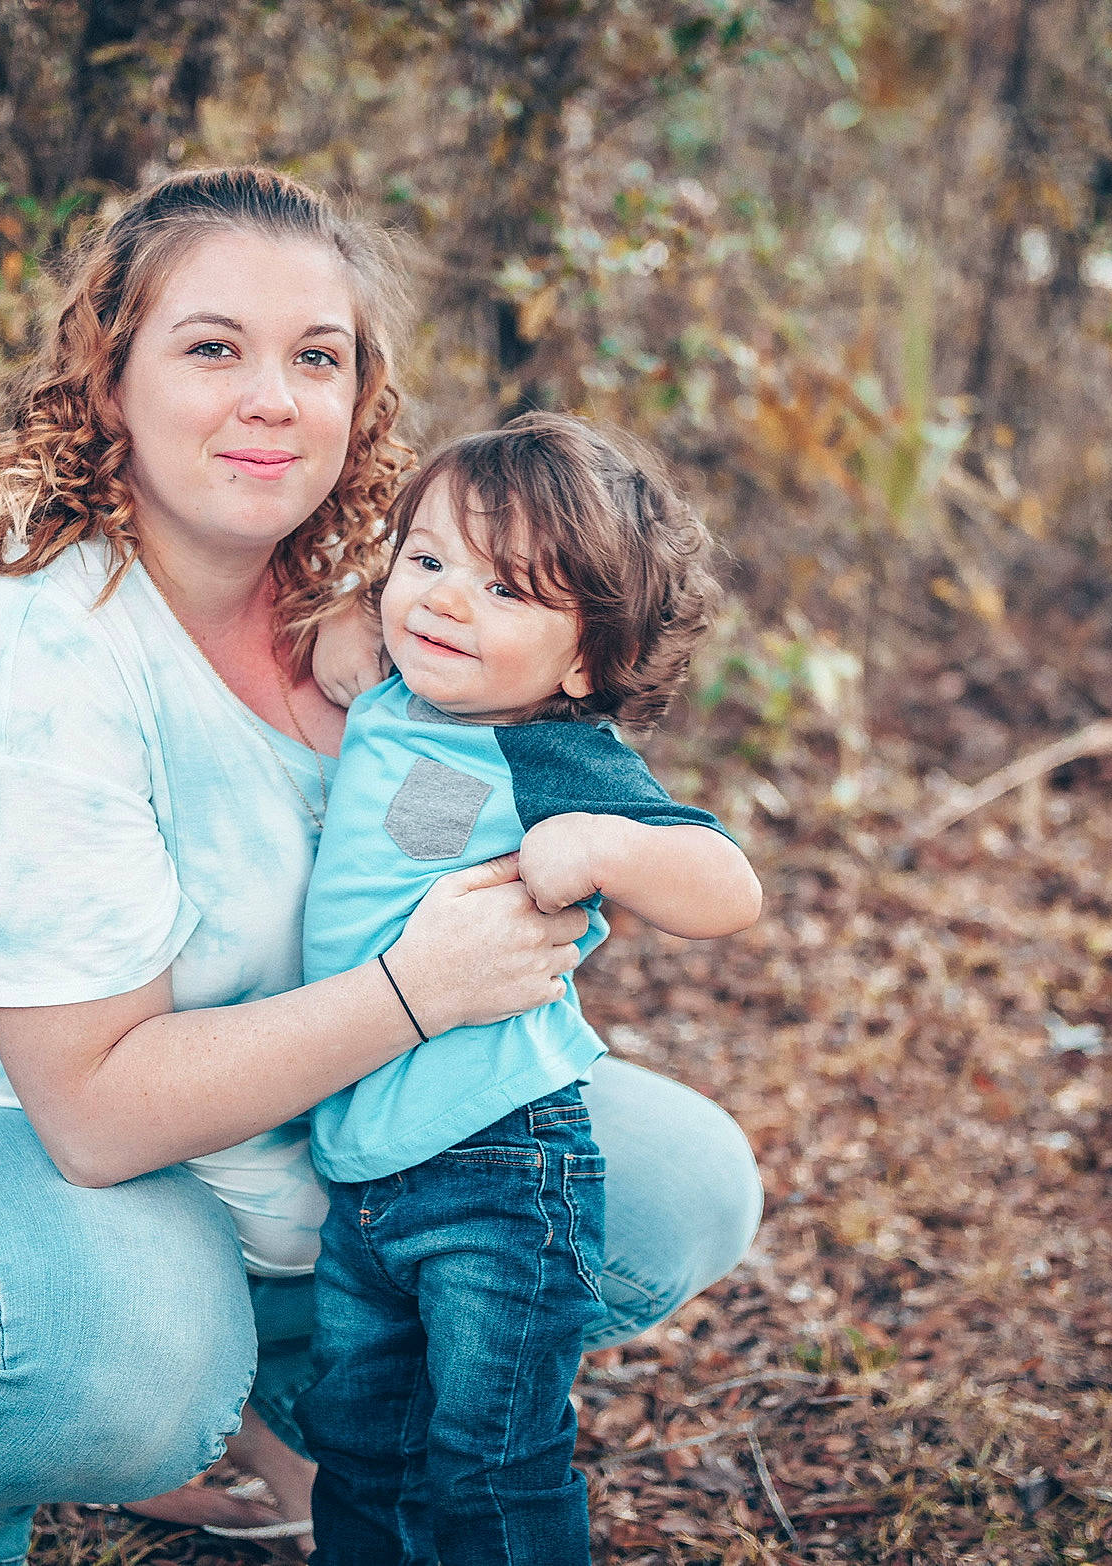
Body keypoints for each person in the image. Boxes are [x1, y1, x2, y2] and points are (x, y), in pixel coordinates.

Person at [0, 167, 763, 1566]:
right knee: (123, 1364)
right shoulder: (37, 657)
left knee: (667, 1187)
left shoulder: (381, 603)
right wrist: (420, 993)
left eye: (317, 356)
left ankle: (296, 1395)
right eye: (211, 347)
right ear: (110, 381)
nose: (272, 398)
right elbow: (98, 1118)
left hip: (282, 1133)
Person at [292, 414, 760, 1565]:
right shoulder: (401, 692)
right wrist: (372, 616)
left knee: (490, 1455)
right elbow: (349, 637)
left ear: (585, 662)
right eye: (431, 561)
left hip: (502, 1164)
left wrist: (604, 847)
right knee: (360, 1448)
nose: (447, 601)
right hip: (366, 1169)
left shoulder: (552, 754)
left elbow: (727, 887)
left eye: (506, 591)